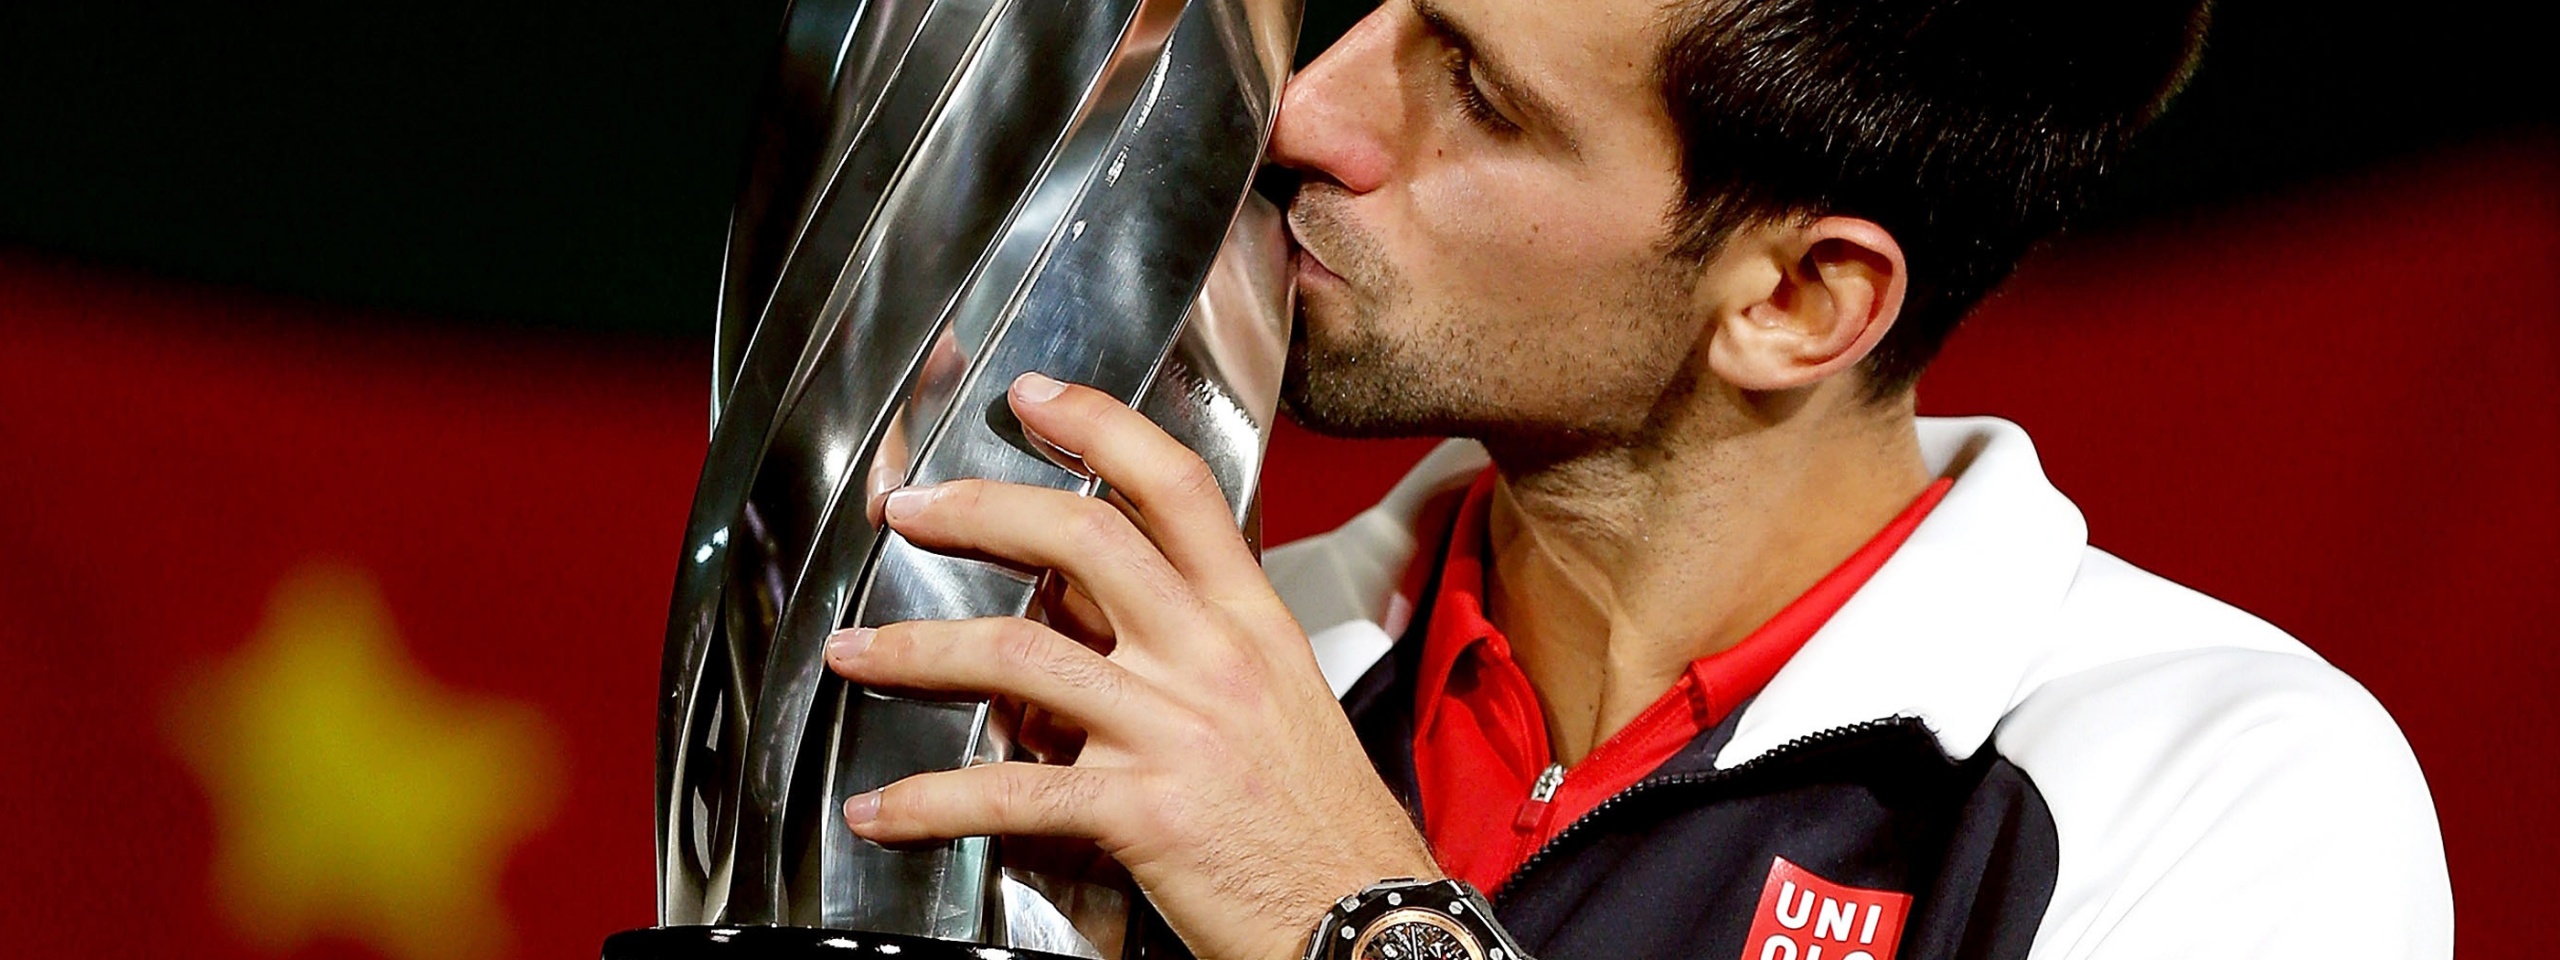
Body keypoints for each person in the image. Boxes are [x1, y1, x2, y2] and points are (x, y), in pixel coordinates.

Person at [815, 0, 2453, 957]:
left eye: (1473, 94)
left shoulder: (2225, 787)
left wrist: (1350, 919)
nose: (1308, 114)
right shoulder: (1179, 670)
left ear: (1796, 302)